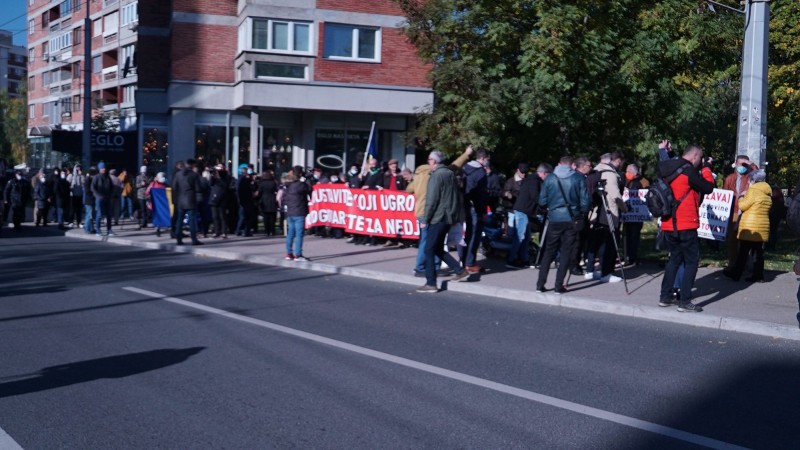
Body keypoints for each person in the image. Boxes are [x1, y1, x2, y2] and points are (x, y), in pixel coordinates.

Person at [657, 144, 715, 312]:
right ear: (695, 156)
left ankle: (665, 296)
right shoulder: (688, 171)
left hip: (668, 223)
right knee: (691, 261)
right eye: (700, 158)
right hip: (686, 223)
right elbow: (708, 187)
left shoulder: (667, 168)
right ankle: (685, 301)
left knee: (674, 260)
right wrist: (706, 168)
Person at [407, 145, 472, 277]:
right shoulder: (435, 174)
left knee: (430, 242)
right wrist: (466, 154)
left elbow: (409, 189)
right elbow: (454, 166)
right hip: (430, 212)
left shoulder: (419, 174)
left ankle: (433, 269)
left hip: (421, 211)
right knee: (429, 243)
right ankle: (422, 268)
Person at [536, 156, 590, 294]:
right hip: (572, 219)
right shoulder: (578, 178)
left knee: (549, 252)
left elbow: (542, 200)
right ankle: (558, 286)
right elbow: (585, 201)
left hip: (554, 218)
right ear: (572, 165)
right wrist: (581, 213)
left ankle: (540, 284)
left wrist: (549, 208)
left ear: (559, 164)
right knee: (566, 252)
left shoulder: (550, 178)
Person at [586, 151, 627, 282]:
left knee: (595, 243)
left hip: (595, 212)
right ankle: (606, 273)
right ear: (618, 161)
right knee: (608, 244)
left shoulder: (595, 171)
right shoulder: (610, 174)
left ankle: (590, 270)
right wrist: (624, 208)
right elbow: (615, 195)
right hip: (609, 212)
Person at [723, 169, 771, 282]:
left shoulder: (753, 191)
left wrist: (741, 197)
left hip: (750, 225)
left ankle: (736, 273)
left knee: (743, 251)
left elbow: (743, 206)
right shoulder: (767, 192)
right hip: (762, 226)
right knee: (758, 252)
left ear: (753, 181)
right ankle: (758, 275)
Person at [460, 148, 491, 273]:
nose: (489, 161)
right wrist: (483, 212)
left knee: (467, 235)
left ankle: (463, 260)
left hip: (465, 204)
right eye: (488, 159)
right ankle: (470, 263)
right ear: (483, 158)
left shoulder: (466, 167)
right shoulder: (480, 172)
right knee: (474, 235)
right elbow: (480, 195)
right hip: (475, 208)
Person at [723, 155, 756, 269]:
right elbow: (724, 195)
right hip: (733, 212)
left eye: (745, 165)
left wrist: (750, 163)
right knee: (732, 240)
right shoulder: (729, 178)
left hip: (746, 212)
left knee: (745, 239)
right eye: (740, 164)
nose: (742, 167)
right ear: (735, 164)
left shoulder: (749, 178)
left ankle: (745, 264)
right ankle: (732, 263)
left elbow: (757, 173)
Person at [506, 163, 540, 269]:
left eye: (525, 172)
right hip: (515, 209)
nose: (524, 174)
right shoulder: (512, 181)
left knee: (526, 237)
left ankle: (523, 258)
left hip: (523, 209)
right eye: (522, 172)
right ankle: (511, 259)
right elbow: (505, 191)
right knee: (518, 236)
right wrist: (507, 194)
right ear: (517, 170)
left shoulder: (527, 180)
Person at [282, 166, 311, 261]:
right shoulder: (300, 185)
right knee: (299, 234)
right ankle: (298, 255)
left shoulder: (288, 184)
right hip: (299, 212)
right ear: (300, 174)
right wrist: (306, 180)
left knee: (290, 233)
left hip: (291, 212)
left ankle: (289, 253)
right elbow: (309, 189)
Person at [172, 159, 204, 245]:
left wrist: (175, 199)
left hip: (180, 200)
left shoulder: (178, 174)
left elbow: (174, 187)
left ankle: (178, 239)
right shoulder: (194, 175)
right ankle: (194, 239)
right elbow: (198, 188)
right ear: (192, 165)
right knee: (192, 221)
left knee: (179, 220)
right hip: (190, 200)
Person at [623, 163, 649, 266]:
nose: (627, 173)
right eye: (626, 171)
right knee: (627, 235)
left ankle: (633, 257)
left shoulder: (644, 182)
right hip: (628, 214)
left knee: (634, 236)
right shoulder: (627, 181)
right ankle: (627, 255)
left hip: (637, 215)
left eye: (629, 171)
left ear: (635, 172)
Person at [91, 162, 115, 236]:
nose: (104, 169)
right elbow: (93, 188)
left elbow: (112, 187)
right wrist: (98, 196)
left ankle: (109, 230)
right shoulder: (96, 177)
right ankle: (98, 230)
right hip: (99, 198)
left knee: (109, 215)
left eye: (104, 167)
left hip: (107, 198)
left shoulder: (108, 177)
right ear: (99, 169)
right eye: (102, 168)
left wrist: (111, 194)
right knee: (99, 214)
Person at [146, 172, 169, 237]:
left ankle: (165, 226)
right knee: (157, 217)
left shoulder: (166, 185)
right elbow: (147, 192)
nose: (163, 178)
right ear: (158, 178)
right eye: (162, 177)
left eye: (164, 177)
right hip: (155, 204)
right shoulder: (152, 184)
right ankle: (157, 229)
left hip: (163, 205)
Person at [258, 171, 279, 236]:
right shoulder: (273, 183)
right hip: (272, 199)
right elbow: (276, 190)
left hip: (264, 199)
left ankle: (267, 230)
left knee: (266, 217)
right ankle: (272, 230)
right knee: (272, 217)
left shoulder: (262, 183)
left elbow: (260, 192)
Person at [135, 166, 151, 230]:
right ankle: (144, 222)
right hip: (141, 195)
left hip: (147, 195)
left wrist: (146, 183)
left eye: (145, 172)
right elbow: (136, 185)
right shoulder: (138, 177)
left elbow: (150, 183)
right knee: (143, 209)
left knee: (148, 209)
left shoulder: (148, 177)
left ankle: (146, 220)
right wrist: (141, 184)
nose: (144, 173)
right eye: (143, 172)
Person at [83, 167, 97, 234]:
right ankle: (86, 227)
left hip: (89, 200)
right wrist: (94, 193)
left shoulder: (89, 179)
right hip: (89, 200)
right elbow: (88, 191)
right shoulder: (88, 180)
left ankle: (91, 228)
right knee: (89, 214)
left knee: (90, 214)